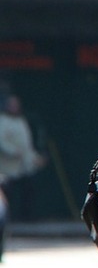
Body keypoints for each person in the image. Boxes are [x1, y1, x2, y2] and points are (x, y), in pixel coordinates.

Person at [0, 93, 47, 223]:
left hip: (24, 166)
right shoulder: (2, 121)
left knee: (28, 192)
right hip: (7, 167)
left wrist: (36, 158)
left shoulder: (21, 121)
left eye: (16, 104)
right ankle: (7, 220)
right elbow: (2, 142)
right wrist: (14, 152)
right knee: (7, 196)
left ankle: (27, 218)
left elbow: (27, 146)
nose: (15, 107)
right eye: (12, 105)